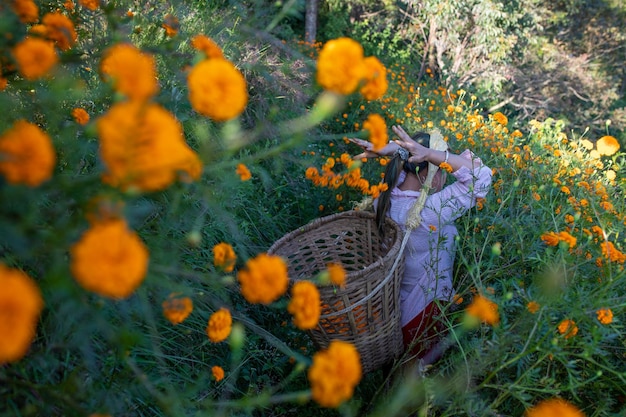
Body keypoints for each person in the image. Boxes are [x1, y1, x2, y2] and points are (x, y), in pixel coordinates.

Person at [351, 125, 492, 365]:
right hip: (425, 312)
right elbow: (481, 177)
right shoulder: (426, 213)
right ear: (429, 172)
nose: (446, 175)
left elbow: (406, 165)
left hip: (398, 307)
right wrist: (430, 154)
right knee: (414, 379)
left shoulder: (385, 196)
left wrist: (396, 150)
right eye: (443, 169)